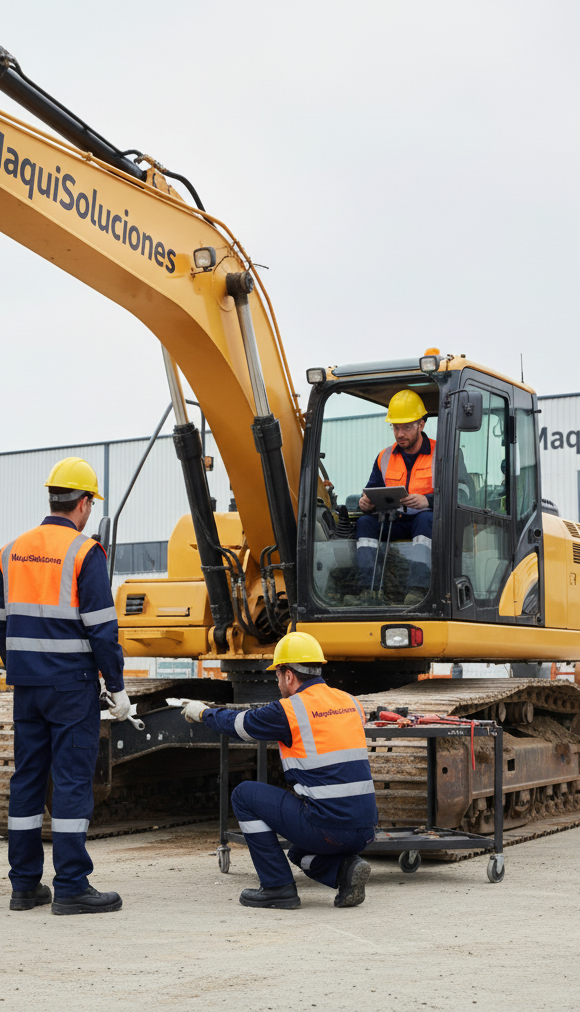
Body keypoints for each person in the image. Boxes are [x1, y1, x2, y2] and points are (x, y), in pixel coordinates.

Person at [0, 456, 130, 915]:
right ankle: (71, 885)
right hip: (71, 688)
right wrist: (117, 684)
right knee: (71, 781)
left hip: (27, 686)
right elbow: (101, 629)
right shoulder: (85, 552)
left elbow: (1, 624)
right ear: (85, 503)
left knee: (27, 779)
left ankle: (24, 886)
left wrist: (21, 667)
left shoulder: (11, 550)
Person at [180, 633, 377, 910]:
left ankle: (277, 887)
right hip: (365, 830)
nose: (278, 682)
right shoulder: (350, 702)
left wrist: (201, 712)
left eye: (277, 675)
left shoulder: (290, 709)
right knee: (299, 853)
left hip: (329, 829)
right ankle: (345, 870)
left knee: (244, 795)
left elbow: (239, 725)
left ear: (288, 675)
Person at [355, 388, 434, 603]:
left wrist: (428, 500)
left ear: (421, 424)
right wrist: (366, 503)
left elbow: (463, 493)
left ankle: (417, 591)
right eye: (396, 427)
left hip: (429, 521)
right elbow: (372, 490)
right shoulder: (385, 456)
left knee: (425, 519)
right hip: (395, 520)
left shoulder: (442, 453)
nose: (400, 434)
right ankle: (368, 590)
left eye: (407, 427)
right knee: (365, 523)